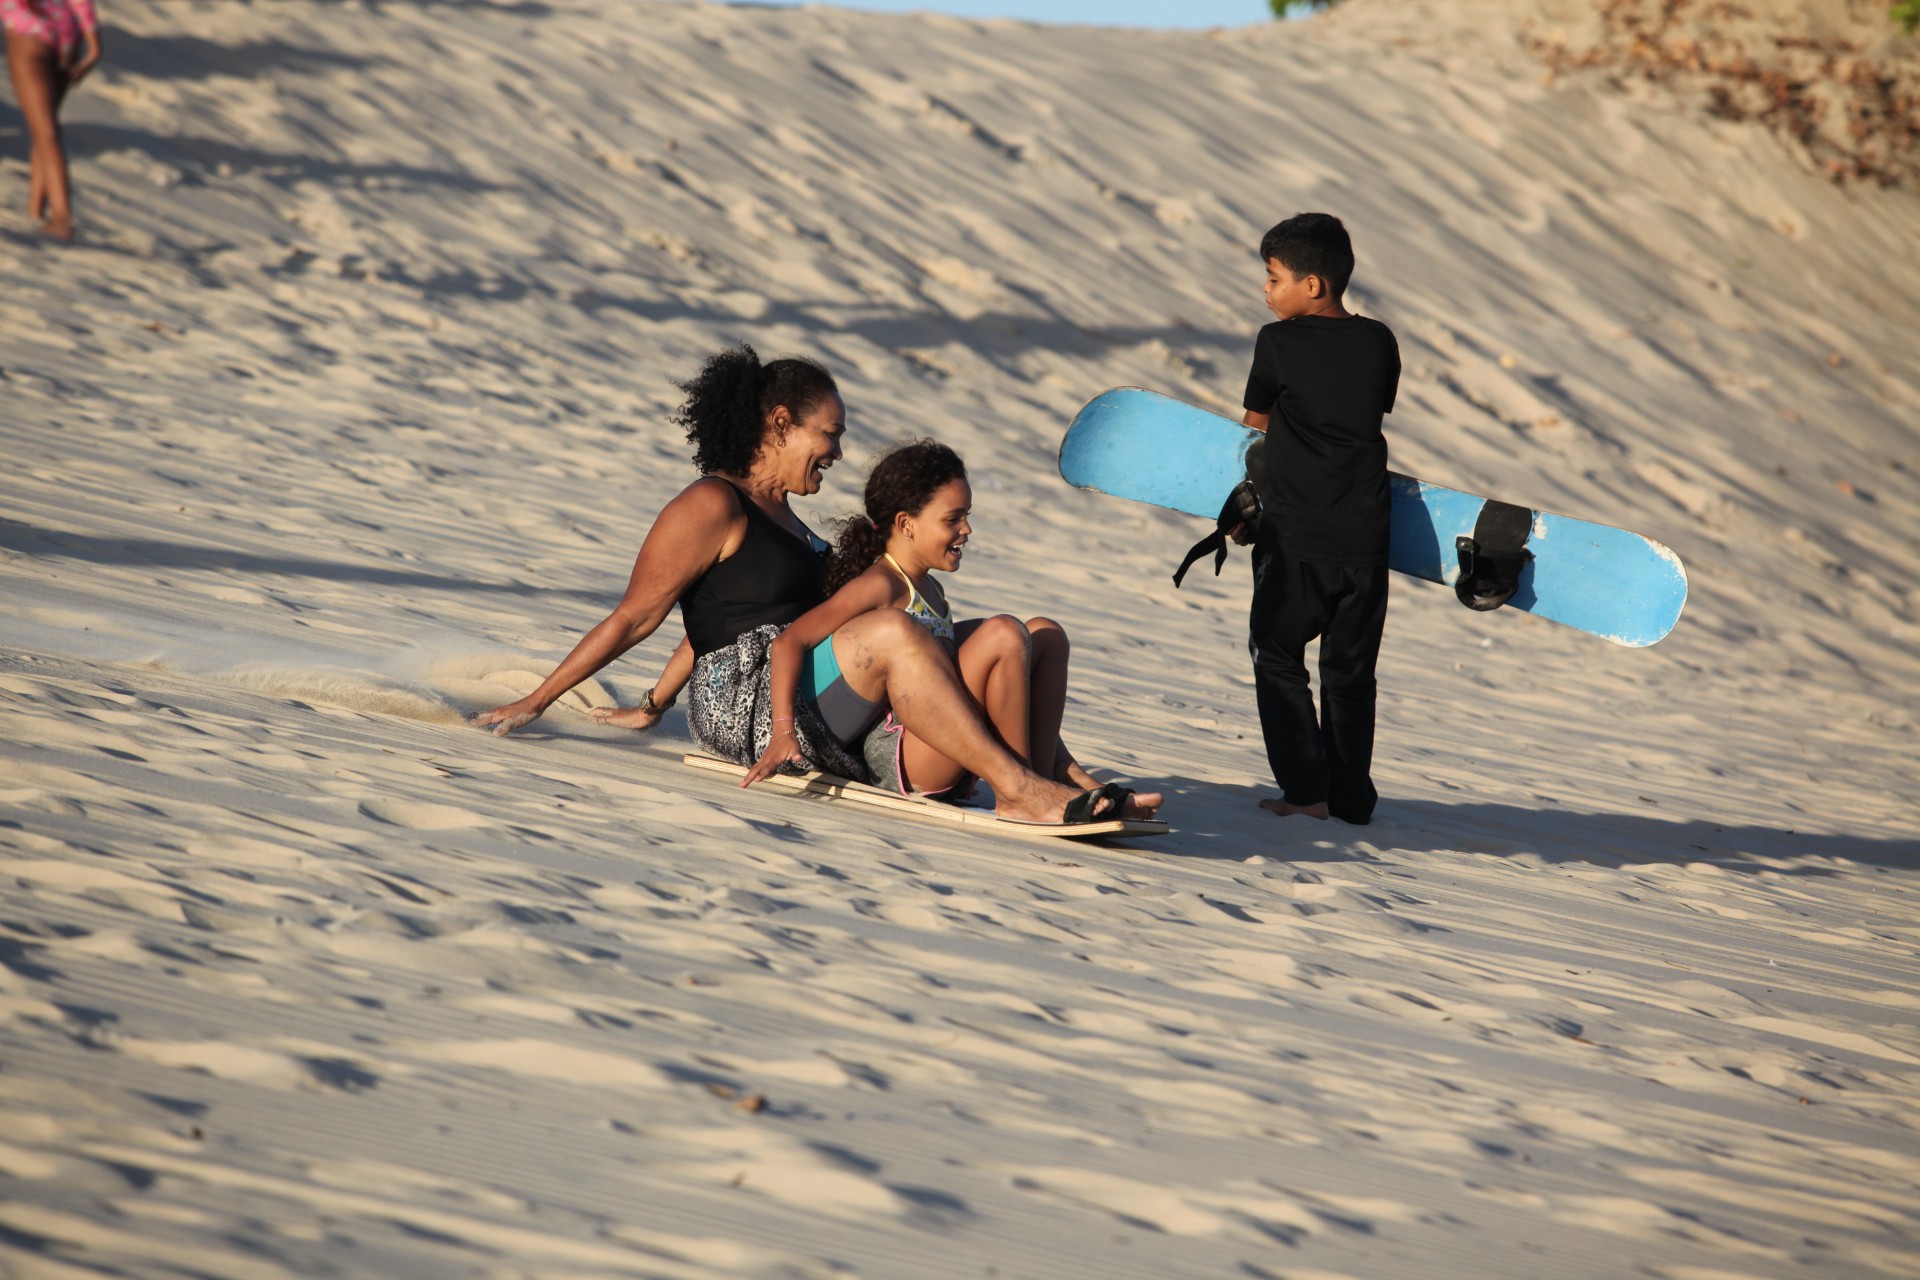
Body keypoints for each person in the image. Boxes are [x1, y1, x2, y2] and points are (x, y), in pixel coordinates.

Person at [472, 344, 1131, 827]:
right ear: (782, 424)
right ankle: (1017, 786)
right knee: (897, 630)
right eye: (831, 435)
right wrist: (537, 699)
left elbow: (734, 614)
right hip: (750, 708)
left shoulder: (790, 522)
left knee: (1013, 631)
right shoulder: (711, 504)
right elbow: (640, 617)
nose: (839, 454)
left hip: (812, 685)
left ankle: (1044, 782)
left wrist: (651, 701)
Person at [739, 439, 1160, 818]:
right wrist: (782, 730)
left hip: (949, 743)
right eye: (953, 519)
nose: (967, 530)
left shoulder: (931, 590)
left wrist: (1074, 769)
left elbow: (999, 690)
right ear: (906, 525)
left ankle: (1054, 781)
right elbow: (788, 642)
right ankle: (1022, 791)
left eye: (967, 516)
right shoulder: (879, 583)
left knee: (1045, 634)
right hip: (902, 754)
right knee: (1004, 633)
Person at [1235, 212, 1400, 825]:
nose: (1266, 289)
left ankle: (1306, 793)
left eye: (1273, 277)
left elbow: (1254, 428)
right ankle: (1352, 799)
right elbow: (1370, 409)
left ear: (1313, 286)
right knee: (1350, 673)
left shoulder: (1276, 342)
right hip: (1366, 539)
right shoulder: (1380, 339)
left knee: (1277, 656)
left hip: (1296, 536)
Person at [4, 0, 102, 241]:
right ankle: (36, 209)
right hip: (67, 33)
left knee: (45, 132)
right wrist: (94, 45)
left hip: (28, 33)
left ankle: (61, 218)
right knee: (44, 128)